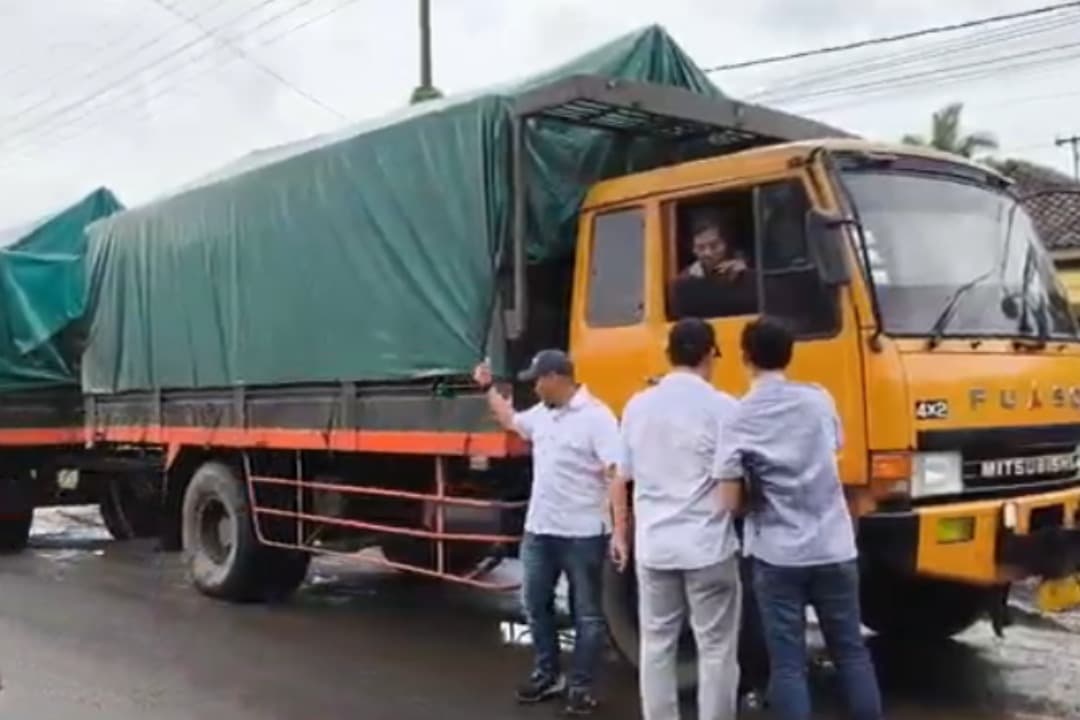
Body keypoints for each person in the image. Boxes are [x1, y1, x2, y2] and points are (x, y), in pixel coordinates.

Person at [713, 318, 884, 720]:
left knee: (788, 664)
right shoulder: (818, 400)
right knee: (850, 651)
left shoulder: (739, 416)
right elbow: (835, 445)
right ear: (789, 355)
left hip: (778, 556)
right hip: (835, 547)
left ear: (745, 358)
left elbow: (730, 502)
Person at [474, 349, 619, 716]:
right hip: (540, 531)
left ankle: (581, 686)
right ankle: (547, 675)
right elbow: (510, 419)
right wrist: (488, 386)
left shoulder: (597, 418)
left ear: (557, 378)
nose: (535, 386)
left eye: (538, 379)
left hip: (584, 533)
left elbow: (615, 473)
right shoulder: (542, 416)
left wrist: (620, 529)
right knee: (535, 605)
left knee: (586, 614)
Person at [611, 318, 742, 720]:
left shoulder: (637, 405)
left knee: (656, 645)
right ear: (709, 354)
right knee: (717, 649)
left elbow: (620, 477)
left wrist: (620, 534)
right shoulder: (725, 408)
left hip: (654, 549)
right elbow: (733, 489)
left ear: (669, 355)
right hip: (708, 548)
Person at [671, 213, 756, 320]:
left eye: (714, 246)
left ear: (726, 244)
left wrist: (743, 277)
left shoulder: (749, 277)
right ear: (693, 250)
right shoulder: (683, 285)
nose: (708, 253)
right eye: (701, 248)